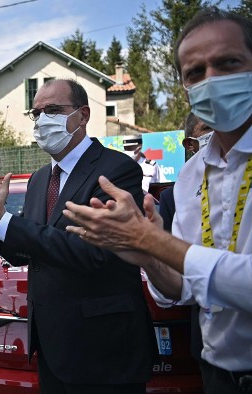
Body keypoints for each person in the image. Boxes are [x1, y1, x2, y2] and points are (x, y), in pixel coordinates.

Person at [62, 9, 252, 393]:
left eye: (228, 63)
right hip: (217, 375)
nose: (210, 80)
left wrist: (155, 242)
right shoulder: (192, 174)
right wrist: (147, 254)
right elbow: (181, 288)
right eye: (195, 73)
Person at [0, 78, 156, 393]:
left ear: (83, 115)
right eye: (36, 113)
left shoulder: (116, 171)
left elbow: (93, 253)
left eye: (52, 110)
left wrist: (4, 222)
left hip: (103, 350)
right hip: (52, 348)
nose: (41, 120)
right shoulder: (40, 179)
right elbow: (23, 252)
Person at [159, 112, 213, 231]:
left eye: (219, 126)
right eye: (207, 128)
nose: (216, 134)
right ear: (190, 144)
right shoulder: (171, 198)